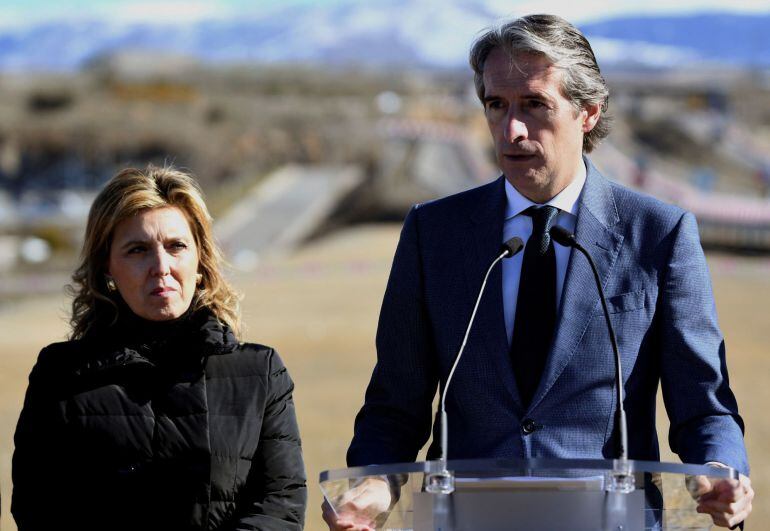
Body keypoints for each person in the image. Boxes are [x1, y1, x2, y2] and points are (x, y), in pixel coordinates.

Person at [327, 14, 752, 530]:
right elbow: (396, 403)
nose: (512, 129)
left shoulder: (660, 235)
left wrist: (717, 470)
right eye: (496, 105)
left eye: (534, 104)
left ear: (589, 112)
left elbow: (703, 405)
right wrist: (376, 481)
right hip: (466, 517)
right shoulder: (432, 232)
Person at [12, 165, 307, 530]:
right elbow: (39, 508)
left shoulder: (261, 372)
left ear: (200, 260)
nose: (161, 266)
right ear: (107, 267)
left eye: (176, 246)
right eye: (138, 250)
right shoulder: (61, 375)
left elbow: (281, 504)